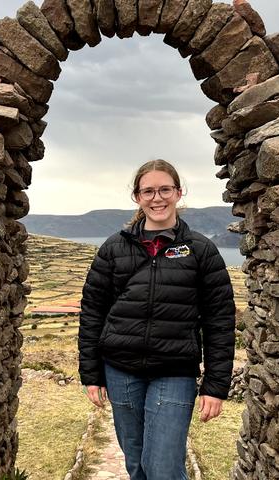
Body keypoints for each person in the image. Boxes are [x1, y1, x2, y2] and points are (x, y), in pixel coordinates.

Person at [78, 159, 236, 480]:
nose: (157, 197)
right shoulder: (113, 248)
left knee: (162, 468)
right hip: (120, 370)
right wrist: (91, 374)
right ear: (137, 197)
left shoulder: (201, 250)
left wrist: (216, 386)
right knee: (136, 466)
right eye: (148, 191)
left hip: (175, 372)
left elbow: (219, 320)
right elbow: (93, 312)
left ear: (178, 193)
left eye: (165, 189)